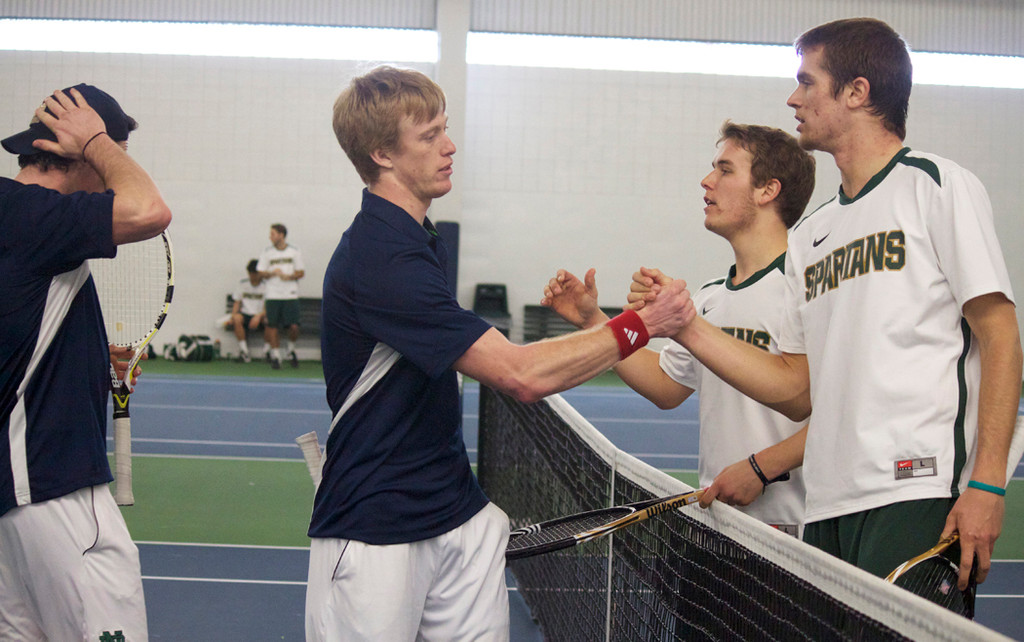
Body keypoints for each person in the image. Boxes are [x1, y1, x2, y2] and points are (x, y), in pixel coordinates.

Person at [631, 18, 1022, 593]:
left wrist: (987, 484)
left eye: (807, 82)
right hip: (828, 503)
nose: (793, 98)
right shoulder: (812, 237)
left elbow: (999, 332)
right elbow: (796, 391)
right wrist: (687, 326)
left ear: (857, 93)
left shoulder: (935, 185)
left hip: (915, 487)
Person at [308, 65, 695, 641]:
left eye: (446, 127)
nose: (449, 144)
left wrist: (601, 321)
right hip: (375, 529)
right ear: (382, 155)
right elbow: (518, 375)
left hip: (456, 516)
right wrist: (644, 324)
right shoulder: (381, 257)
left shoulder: (418, 240)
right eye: (430, 135)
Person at [542, 122, 816, 535]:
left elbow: (842, 415)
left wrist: (761, 469)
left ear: (767, 190)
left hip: (796, 528)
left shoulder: (811, 288)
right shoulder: (709, 298)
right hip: (720, 521)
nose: (707, 181)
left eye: (725, 170)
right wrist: (595, 321)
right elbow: (666, 387)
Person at [0, 84, 171, 639]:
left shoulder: (17, 221)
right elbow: (149, 211)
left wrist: (96, 362)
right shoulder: (35, 216)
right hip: (51, 485)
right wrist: (99, 141)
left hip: (13, 496)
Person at [257, 223, 305, 369]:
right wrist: (272, 273)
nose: (270, 237)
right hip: (273, 294)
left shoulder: (294, 251)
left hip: (290, 294)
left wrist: (289, 276)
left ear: (281, 235)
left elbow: (301, 272)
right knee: (272, 325)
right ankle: (276, 355)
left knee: (294, 326)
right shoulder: (267, 252)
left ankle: (290, 349)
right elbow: (260, 272)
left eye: (273, 234)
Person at [229, 258, 267, 362]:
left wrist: (258, 316)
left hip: (260, 315)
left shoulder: (266, 286)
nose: (252, 276)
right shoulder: (242, 284)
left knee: (270, 320)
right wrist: (233, 315)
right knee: (237, 319)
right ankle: (244, 352)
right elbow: (237, 302)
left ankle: (267, 351)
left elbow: (268, 307)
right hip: (245, 314)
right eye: (250, 273)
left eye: (254, 273)